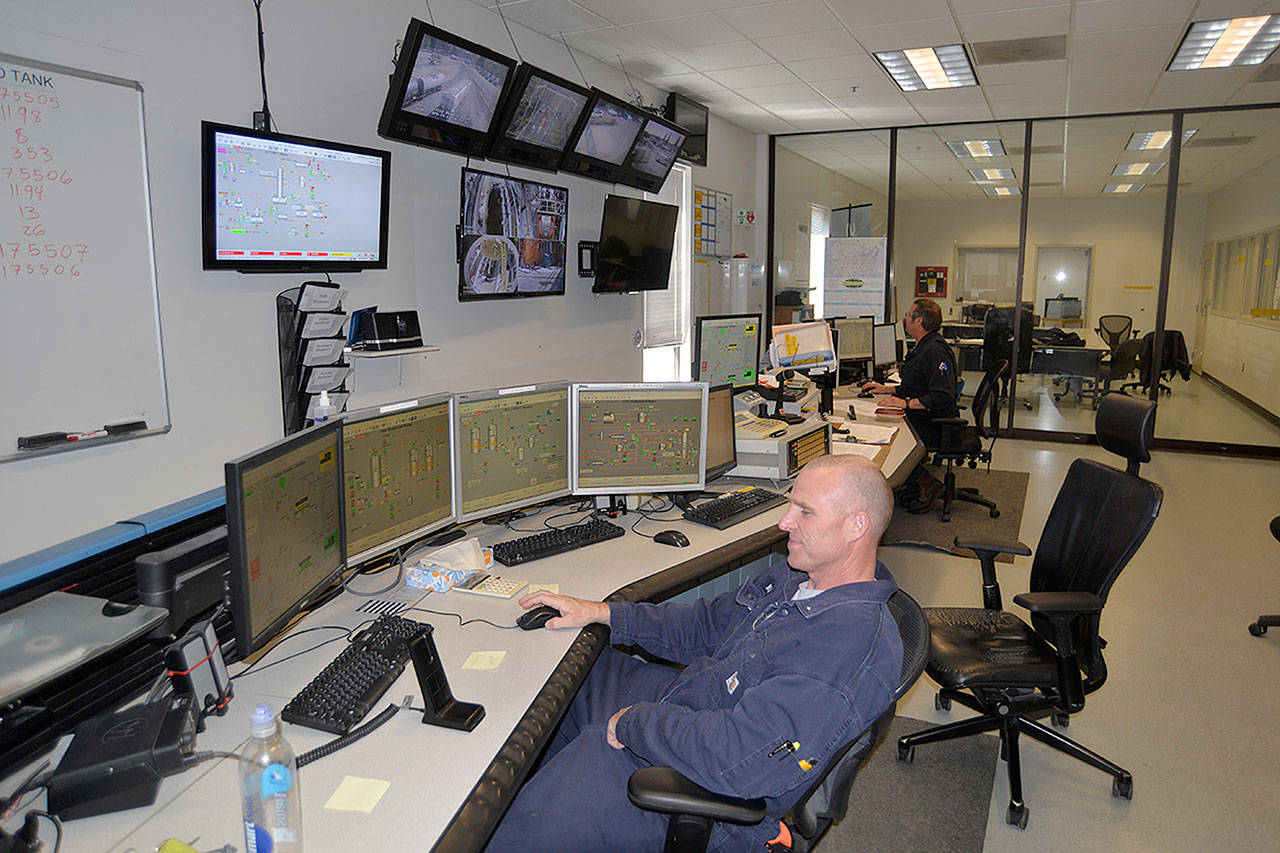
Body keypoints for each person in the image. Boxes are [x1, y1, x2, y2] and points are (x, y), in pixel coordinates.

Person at [485, 456, 903, 852]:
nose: (784, 522)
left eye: (804, 512)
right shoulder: (802, 577)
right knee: (570, 673)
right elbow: (705, 626)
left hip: (704, 789)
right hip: (694, 701)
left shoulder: (843, 652)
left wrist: (635, 722)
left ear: (856, 527)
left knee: (545, 803)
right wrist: (604, 613)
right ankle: (530, 803)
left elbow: (738, 759)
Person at [860, 297, 958, 511]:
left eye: (908, 315)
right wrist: (887, 389)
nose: (905, 319)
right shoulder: (924, 346)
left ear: (919, 321)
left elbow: (943, 396)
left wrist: (905, 403)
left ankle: (927, 484)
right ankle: (914, 481)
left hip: (936, 422)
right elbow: (917, 385)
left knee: (888, 434)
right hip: (926, 415)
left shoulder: (934, 351)